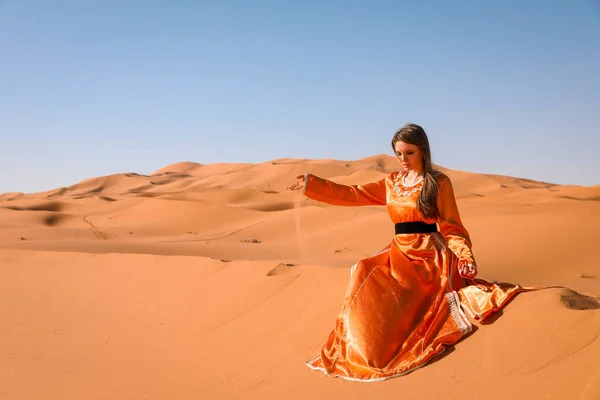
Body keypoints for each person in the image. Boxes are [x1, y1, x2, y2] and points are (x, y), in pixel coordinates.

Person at [286, 123, 527, 382]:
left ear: (422, 151)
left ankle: (392, 346)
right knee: (364, 269)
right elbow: (353, 195)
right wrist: (313, 185)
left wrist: (465, 256)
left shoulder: (438, 183)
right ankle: (362, 348)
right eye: (398, 153)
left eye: (409, 153)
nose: (403, 159)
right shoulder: (392, 182)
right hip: (399, 250)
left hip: (428, 255)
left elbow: (452, 227)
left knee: (409, 292)